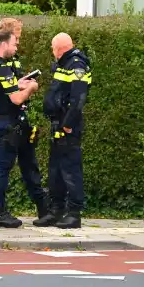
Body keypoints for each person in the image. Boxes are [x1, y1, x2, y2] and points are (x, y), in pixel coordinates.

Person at [0, 29, 45, 229]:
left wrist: (18, 83)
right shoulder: (3, 68)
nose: (16, 48)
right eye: (14, 44)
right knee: (1, 169)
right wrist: (30, 88)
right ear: (4, 44)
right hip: (5, 125)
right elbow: (16, 98)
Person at [41, 32, 91, 229]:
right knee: (55, 170)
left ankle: (74, 213)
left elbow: (78, 99)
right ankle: (56, 210)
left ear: (59, 48)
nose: (52, 52)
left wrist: (68, 123)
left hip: (69, 125)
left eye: (53, 48)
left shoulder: (77, 64)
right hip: (58, 123)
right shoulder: (63, 63)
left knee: (71, 170)